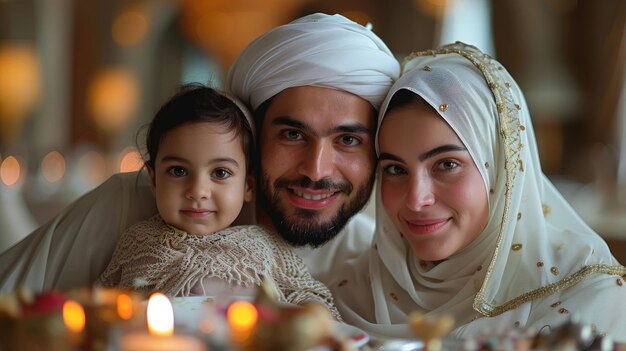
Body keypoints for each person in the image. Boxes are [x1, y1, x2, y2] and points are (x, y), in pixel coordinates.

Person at [0, 13, 399, 293]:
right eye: (293, 134)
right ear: (255, 139)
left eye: (348, 140)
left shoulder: (371, 260)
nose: (316, 170)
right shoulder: (128, 205)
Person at [331, 42, 626, 341]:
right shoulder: (347, 292)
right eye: (395, 169)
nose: (417, 200)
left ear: (501, 167)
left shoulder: (585, 300)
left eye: (446, 164)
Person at [96, 83, 339, 317]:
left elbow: (307, 293)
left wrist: (309, 313)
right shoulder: (138, 242)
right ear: (154, 179)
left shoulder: (264, 247)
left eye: (220, 173)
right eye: (178, 171)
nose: (198, 191)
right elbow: (104, 305)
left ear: (248, 186)